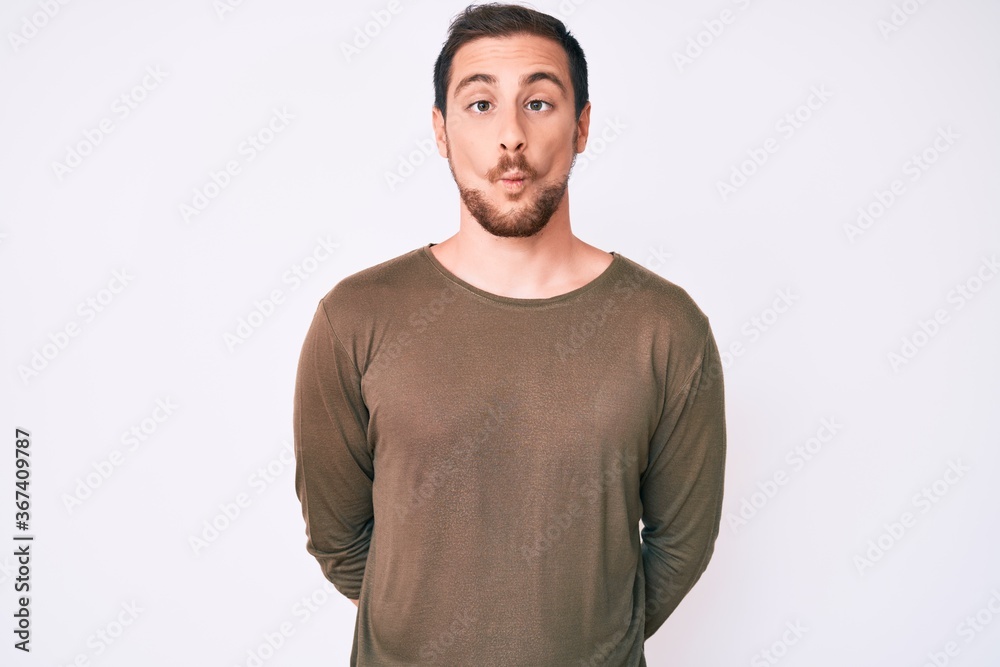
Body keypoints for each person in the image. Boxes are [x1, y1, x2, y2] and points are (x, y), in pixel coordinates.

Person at [293, 4, 727, 665]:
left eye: (539, 103)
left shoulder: (665, 328)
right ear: (440, 131)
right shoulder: (354, 319)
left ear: (582, 125)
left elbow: (680, 546)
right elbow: (338, 536)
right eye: (480, 104)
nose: (511, 136)